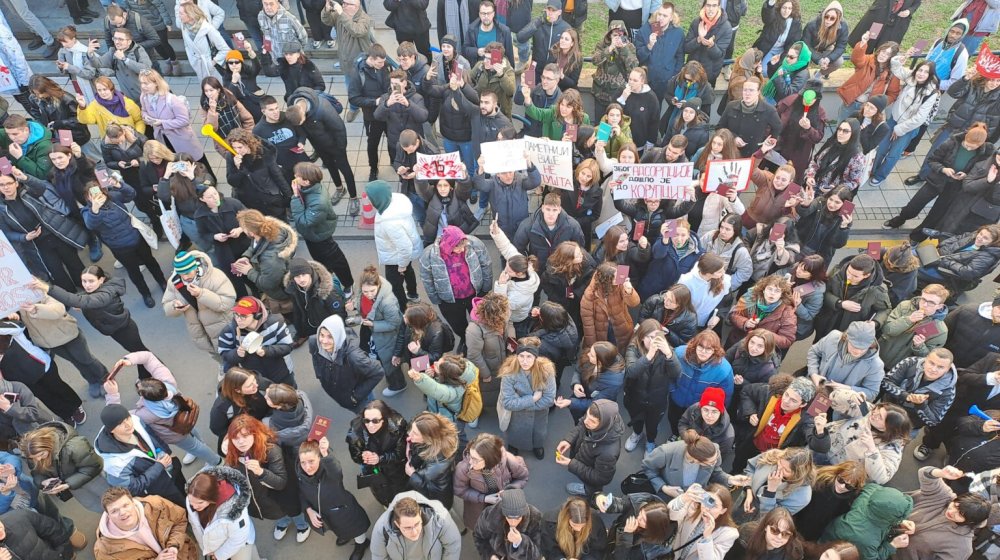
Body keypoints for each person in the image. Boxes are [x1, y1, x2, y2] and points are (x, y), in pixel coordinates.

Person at [104, 351, 222, 467]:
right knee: (191, 430)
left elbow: (116, 417)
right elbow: (149, 357)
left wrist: (112, 395)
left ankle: (216, 462)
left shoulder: (146, 414)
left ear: (146, 398)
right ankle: (202, 445)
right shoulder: (168, 383)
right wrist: (129, 359)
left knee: (194, 446)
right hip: (184, 417)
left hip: (174, 433)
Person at [36, 267, 153, 380]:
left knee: (141, 354)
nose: (87, 285)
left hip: (124, 331)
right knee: (139, 352)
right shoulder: (99, 290)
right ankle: (146, 375)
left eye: (91, 281)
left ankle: (150, 374)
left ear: (101, 280)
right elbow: (84, 298)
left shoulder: (106, 294)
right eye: (84, 281)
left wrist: (48, 288)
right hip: (118, 329)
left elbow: (81, 300)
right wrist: (82, 303)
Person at [884, 122, 993, 232]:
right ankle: (900, 219)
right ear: (965, 136)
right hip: (936, 180)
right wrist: (943, 169)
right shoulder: (951, 142)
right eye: (967, 145)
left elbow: (979, 172)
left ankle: (919, 235)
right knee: (915, 204)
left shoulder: (985, 153)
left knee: (937, 213)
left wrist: (967, 175)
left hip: (954, 186)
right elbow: (932, 160)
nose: (969, 149)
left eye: (973, 147)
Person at [82, 174, 167, 308]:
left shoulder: (114, 198)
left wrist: (120, 185)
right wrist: (95, 209)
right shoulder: (88, 211)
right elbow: (91, 225)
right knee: (134, 272)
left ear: (103, 191)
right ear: (87, 198)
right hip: (120, 247)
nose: (97, 197)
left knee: (150, 261)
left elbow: (131, 194)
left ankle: (162, 282)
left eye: (99, 192)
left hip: (136, 238)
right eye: (91, 195)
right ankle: (145, 294)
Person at [0, 166, 87, 293]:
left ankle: (85, 285)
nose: (6, 187)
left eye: (9, 183)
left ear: (16, 183)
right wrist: (24, 237)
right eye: (2, 185)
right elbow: (7, 233)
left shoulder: (27, 193)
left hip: (53, 233)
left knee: (73, 262)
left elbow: (41, 187)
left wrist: (25, 177)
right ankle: (69, 295)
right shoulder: (2, 208)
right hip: (37, 244)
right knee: (56, 272)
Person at [221, 414, 303, 542]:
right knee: (278, 514)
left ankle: (301, 524)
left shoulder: (270, 450)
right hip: (263, 502)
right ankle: (284, 521)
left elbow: (281, 482)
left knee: (293, 511)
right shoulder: (233, 454)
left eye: (245, 436)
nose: (241, 442)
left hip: (281, 496)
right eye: (236, 438)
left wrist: (261, 472)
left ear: (254, 434)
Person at [868, 55, 941, 188]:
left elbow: (920, 118)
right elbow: (896, 68)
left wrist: (899, 129)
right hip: (893, 121)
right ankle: (872, 171)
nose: (921, 74)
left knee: (893, 154)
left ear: (930, 75)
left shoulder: (932, 93)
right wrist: (899, 59)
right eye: (920, 70)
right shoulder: (911, 78)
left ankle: (880, 176)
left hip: (908, 128)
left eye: (926, 72)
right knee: (881, 148)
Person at [94, 404, 186, 506]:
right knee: (179, 508)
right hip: (158, 490)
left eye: (127, 418)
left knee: (186, 493)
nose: (128, 424)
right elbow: (133, 488)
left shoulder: (136, 421)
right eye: (120, 424)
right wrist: (159, 466)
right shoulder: (114, 465)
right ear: (112, 430)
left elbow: (153, 437)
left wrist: (167, 452)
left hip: (170, 469)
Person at [286, 88, 359, 213]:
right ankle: (340, 188)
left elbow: (339, 128)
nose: (302, 123)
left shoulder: (323, 109)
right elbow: (300, 128)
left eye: (302, 121)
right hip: (319, 145)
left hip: (335, 145)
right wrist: (302, 141)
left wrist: (341, 148)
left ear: (302, 112)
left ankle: (354, 197)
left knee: (345, 169)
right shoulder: (292, 106)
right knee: (330, 166)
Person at [821, 390, 911, 484]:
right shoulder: (867, 411)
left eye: (880, 417)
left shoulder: (892, 447)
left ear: (888, 428)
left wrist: (872, 450)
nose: (874, 415)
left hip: (838, 470)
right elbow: (833, 399)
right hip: (823, 443)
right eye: (878, 410)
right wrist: (849, 396)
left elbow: (881, 478)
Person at [734, 376, 823, 471]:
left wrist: (821, 431)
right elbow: (747, 391)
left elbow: (820, 447)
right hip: (750, 443)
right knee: (737, 467)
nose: (786, 401)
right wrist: (750, 412)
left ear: (803, 404)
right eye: (787, 394)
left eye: (793, 400)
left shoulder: (806, 418)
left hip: (773, 459)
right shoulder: (770, 393)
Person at [163, 250, 236, 358]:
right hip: (199, 330)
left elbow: (227, 303)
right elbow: (166, 306)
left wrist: (201, 294)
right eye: (181, 274)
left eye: (187, 273)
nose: (185, 277)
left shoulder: (215, 276)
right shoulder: (174, 282)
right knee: (213, 352)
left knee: (233, 353)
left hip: (221, 326)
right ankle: (223, 366)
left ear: (195, 267)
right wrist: (174, 306)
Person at [94, 486, 199, 560]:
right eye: (114, 511)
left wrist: (173, 546)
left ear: (133, 502)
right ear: (108, 516)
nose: (122, 513)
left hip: (184, 555)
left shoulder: (157, 504)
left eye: (125, 505)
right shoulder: (104, 549)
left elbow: (179, 520)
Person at [623, 320, 679, 454]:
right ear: (642, 336)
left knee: (652, 424)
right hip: (636, 396)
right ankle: (636, 434)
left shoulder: (667, 350)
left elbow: (676, 373)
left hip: (657, 399)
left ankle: (650, 441)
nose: (655, 341)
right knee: (636, 419)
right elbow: (631, 372)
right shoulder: (633, 348)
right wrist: (649, 356)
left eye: (657, 336)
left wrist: (669, 355)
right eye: (651, 337)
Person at [454, 433, 529, 531]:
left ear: (489, 459)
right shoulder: (464, 468)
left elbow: (523, 478)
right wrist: (484, 498)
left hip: (504, 504)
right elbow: (460, 491)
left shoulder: (509, 460)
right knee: (482, 530)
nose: (471, 463)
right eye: (470, 456)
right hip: (478, 507)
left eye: (476, 460)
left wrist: (509, 490)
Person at [365, 180, 422, 310]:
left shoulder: (390, 223)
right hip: (401, 255)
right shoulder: (395, 203)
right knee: (409, 271)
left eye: (370, 197)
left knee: (395, 285)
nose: (368, 200)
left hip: (395, 257)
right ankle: (413, 295)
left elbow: (404, 247)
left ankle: (403, 309)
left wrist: (401, 266)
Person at [311, 313, 385, 412]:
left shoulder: (354, 357)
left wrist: (355, 397)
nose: (324, 341)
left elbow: (378, 372)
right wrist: (320, 375)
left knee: (369, 418)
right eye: (322, 335)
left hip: (359, 398)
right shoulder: (314, 342)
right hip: (338, 391)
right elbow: (316, 358)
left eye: (330, 337)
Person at [138, 70, 209, 171]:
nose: (143, 86)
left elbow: (184, 120)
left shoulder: (171, 99)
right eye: (141, 83)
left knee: (195, 162)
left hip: (180, 137)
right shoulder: (144, 97)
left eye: (146, 83)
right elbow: (144, 111)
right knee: (176, 162)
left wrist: (162, 123)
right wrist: (145, 117)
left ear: (156, 83)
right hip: (163, 137)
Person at [820, 482, 912, 560]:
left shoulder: (869, 492)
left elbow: (877, 491)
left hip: (828, 539)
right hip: (831, 553)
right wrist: (893, 545)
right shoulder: (867, 542)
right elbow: (873, 558)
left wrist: (899, 522)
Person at [642, 428, 742, 500]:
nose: (715, 462)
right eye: (711, 462)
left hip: (696, 497)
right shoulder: (665, 452)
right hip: (671, 495)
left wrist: (729, 479)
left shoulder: (713, 450)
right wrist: (664, 488)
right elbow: (648, 468)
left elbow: (716, 471)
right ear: (696, 461)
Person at [218, 296, 296, 386]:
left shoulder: (275, 323)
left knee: (290, 396)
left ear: (257, 315)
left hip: (282, 373)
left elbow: (288, 346)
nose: (238, 319)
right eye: (236, 314)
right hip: (254, 380)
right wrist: (237, 354)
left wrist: (266, 351)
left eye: (243, 316)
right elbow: (224, 354)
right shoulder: (229, 332)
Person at [499, 338, 557, 458]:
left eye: (529, 356)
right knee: (515, 433)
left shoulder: (546, 371)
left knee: (538, 433)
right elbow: (508, 403)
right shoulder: (509, 372)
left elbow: (549, 399)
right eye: (521, 356)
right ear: (517, 356)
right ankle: (514, 445)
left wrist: (520, 403)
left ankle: (537, 445)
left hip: (538, 416)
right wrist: (533, 399)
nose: (524, 361)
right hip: (517, 417)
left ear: (536, 356)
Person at [184, 468, 258, 560]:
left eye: (200, 503)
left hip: (240, 546)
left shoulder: (234, 512)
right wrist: (206, 548)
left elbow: (237, 539)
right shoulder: (192, 498)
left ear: (212, 498)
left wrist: (218, 555)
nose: (194, 507)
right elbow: (196, 527)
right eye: (191, 502)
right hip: (216, 546)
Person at [232, 210, 298, 311]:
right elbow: (255, 245)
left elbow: (269, 284)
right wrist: (247, 256)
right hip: (278, 274)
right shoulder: (268, 229)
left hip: (280, 293)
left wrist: (249, 271)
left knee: (285, 311)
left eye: (243, 228)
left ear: (251, 233)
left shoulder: (270, 258)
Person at [347, 400, 409, 507]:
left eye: (375, 421)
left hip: (396, 469)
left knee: (401, 488)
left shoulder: (397, 425)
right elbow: (355, 457)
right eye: (366, 420)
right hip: (373, 471)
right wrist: (362, 456)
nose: (370, 425)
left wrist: (380, 458)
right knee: (381, 491)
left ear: (384, 419)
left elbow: (401, 453)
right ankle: (387, 504)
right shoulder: (356, 432)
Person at [813, 254, 891, 340]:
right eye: (848, 272)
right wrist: (839, 303)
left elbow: (885, 309)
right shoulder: (836, 272)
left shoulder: (878, 290)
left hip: (850, 333)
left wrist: (875, 322)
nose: (849, 277)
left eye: (855, 276)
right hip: (826, 325)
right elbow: (822, 292)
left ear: (867, 275)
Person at [556, 399, 624, 496]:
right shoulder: (593, 417)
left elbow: (601, 478)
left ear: (603, 424)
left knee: (593, 489)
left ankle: (588, 493)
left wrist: (572, 464)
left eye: (592, 421)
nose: (586, 421)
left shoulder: (608, 452)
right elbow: (581, 426)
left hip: (592, 474)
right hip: (583, 457)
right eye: (586, 415)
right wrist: (568, 440)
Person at [881, 349, 957, 435]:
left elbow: (933, 421)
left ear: (948, 369)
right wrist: (906, 396)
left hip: (906, 427)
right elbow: (885, 382)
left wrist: (921, 405)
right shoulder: (909, 362)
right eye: (931, 363)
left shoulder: (948, 392)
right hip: (883, 413)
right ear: (926, 359)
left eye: (940, 367)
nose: (933, 369)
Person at [671, 331, 733, 434]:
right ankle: (674, 435)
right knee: (674, 419)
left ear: (715, 350)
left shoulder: (724, 370)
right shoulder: (679, 354)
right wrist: (672, 390)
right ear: (694, 345)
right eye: (700, 347)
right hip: (677, 399)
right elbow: (669, 373)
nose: (703, 351)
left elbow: (725, 397)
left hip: (700, 408)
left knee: (694, 427)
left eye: (709, 349)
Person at [371, 491, 462, 560]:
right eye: (408, 527)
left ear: (420, 513)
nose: (414, 532)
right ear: (397, 524)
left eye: (417, 524)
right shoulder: (381, 530)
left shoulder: (440, 518)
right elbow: (379, 557)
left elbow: (452, 545)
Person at [877, 285, 950, 369]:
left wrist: (919, 346)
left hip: (900, 367)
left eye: (931, 303)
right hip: (879, 353)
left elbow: (929, 358)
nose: (925, 305)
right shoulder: (905, 306)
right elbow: (887, 330)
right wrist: (908, 320)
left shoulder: (940, 330)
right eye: (923, 299)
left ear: (939, 306)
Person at [224, 130, 291, 221]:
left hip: (269, 198)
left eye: (240, 147)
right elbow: (232, 181)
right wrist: (238, 168)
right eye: (234, 147)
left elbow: (277, 176)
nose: (237, 151)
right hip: (249, 201)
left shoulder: (264, 153)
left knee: (281, 222)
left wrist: (288, 197)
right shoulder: (231, 156)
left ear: (248, 144)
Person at [792, 461, 866, 541]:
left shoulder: (850, 500)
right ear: (837, 473)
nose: (842, 487)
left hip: (814, 533)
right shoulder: (820, 480)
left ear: (855, 488)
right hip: (797, 518)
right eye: (841, 480)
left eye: (848, 486)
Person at [918, 226, 1000, 297]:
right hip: (939, 256)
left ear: (993, 242)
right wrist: (942, 246)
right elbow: (957, 238)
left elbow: (967, 272)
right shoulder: (973, 235)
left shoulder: (987, 257)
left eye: (985, 238)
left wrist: (945, 261)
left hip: (945, 271)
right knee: (913, 253)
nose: (979, 237)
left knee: (912, 265)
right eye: (981, 233)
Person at [283, 257, 348, 345]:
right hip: (312, 320)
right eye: (297, 276)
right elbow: (298, 310)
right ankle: (305, 334)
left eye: (304, 274)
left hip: (326, 325)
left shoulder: (328, 291)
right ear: (293, 278)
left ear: (310, 273)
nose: (301, 279)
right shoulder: (294, 288)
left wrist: (333, 335)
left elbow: (339, 314)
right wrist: (301, 330)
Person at [740, 447, 814, 522]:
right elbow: (750, 468)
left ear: (798, 474)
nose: (779, 469)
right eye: (780, 463)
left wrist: (771, 491)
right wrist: (748, 490)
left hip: (756, 517)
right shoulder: (773, 455)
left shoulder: (803, 496)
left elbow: (773, 517)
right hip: (744, 498)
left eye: (786, 470)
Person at [404, 411, 459, 508]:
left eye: (415, 433)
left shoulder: (437, 464)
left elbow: (424, 483)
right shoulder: (435, 439)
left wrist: (412, 475)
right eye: (412, 429)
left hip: (436, 498)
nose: (410, 435)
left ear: (428, 438)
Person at [87, 28, 153, 104]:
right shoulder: (113, 51)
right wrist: (90, 54)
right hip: (128, 99)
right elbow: (98, 64)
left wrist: (124, 59)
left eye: (121, 39)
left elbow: (146, 70)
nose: (117, 42)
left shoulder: (138, 51)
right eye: (115, 38)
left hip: (145, 96)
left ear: (129, 41)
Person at [473, 488, 543, 559]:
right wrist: (490, 555)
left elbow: (537, 555)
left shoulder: (535, 519)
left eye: (517, 518)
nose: (513, 522)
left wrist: (520, 542)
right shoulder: (488, 515)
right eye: (509, 517)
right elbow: (478, 537)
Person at [209, 368, 274, 443]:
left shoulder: (262, 385)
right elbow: (217, 429)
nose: (256, 385)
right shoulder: (222, 407)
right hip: (245, 434)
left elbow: (277, 400)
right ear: (237, 390)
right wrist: (242, 435)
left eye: (254, 380)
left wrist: (266, 421)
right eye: (249, 385)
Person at [591, 22, 639, 122]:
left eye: (620, 35)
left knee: (616, 122)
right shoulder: (602, 44)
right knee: (600, 123)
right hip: (601, 92)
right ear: (609, 35)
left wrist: (623, 49)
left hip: (618, 93)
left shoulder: (629, 47)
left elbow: (633, 66)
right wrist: (609, 49)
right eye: (615, 35)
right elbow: (595, 61)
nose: (617, 38)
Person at [540, 497, 607, 560]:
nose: (579, 529)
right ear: (566, 517)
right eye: (574, 525)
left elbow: (598, 549)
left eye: (583, 525)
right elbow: (550, 548)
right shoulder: (549, 522)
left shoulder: (595, 520)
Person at [200, 79, 254, 157]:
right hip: (225, 143)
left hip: (242, 137)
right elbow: (212, 129)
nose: (209, 94)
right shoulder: (204, 107)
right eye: (206, 91)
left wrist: (248, 135)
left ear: (218, 90)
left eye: (211, 90)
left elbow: (247, 119)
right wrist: (212, 111)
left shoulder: (229, 97)